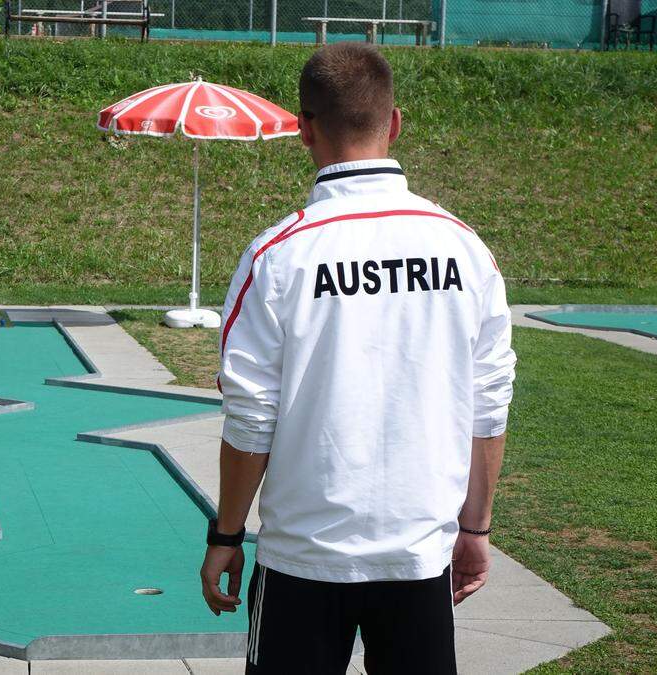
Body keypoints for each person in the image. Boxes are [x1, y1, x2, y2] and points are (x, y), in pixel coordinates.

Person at [200, 43, 516, 673]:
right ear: (394, 122)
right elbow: (489, 402)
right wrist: (474, 530)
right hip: (419, 553)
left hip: (304, 558)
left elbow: (250, 418)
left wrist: (226, 535)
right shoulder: (463, 247)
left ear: (303, 128)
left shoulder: (277, 255)